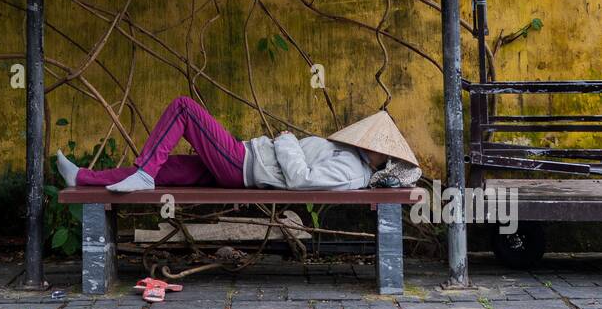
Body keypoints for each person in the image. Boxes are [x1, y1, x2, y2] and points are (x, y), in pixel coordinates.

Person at [55, 97, 421, 192]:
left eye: (373, 143)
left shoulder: (350, 171)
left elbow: (300, 180)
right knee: (166, 166)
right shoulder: (352, 160)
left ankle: (144, 175)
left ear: (381, 158)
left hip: (242, 165)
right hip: (245, 163)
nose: (365, 142)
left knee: (185, 107)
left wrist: (287, 141)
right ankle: (84, 179)